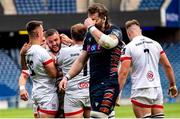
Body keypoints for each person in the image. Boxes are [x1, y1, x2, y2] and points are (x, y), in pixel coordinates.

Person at [59, 3, 124, 118]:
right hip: (94, 85)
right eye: (90, 19)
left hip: (108, 83)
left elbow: (109, 43)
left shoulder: (114, 30)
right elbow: (81, 60)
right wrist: (67, 77)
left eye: (95, 19)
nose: (92, 22)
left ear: (104, 18)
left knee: (97, 116)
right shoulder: (89, 36)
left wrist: (91, 27)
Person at [118, 19, 178, 118]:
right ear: (140, 30)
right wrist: (173, 85)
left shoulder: (128, 47)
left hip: (141, 90)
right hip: (156, 89)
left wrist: (118, 93)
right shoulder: (156, 44)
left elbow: (123, 73)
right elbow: (167, 66)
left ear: (128, 33)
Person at [20, 20, 59, 118]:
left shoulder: (27, 51)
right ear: (38, 33)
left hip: (36, 93)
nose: (43, 33)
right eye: (42, 31)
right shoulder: (42, 52)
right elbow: (53, 74)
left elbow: (24, 71)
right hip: (47, 95)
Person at [57, 23, 91, 118]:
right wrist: (71, 42)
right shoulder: (92, 49)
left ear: (72, 35)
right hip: (90, 91)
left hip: (73, 94)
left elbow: (57, 63)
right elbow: (82, 48)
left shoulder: (64, 51)